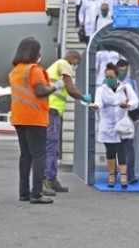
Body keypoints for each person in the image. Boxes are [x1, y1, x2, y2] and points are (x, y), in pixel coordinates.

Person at [9, 37, 62, 204]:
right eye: (38, 51)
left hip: (19, 117)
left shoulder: (15, 71)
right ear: (34, 52)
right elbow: (40, 92)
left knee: (25, 156)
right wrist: (56, 86)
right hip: (34, 118)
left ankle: (24, 192)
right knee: (39, 155)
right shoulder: (35, 69)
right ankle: (37, 193)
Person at [44, 51, 92, 192]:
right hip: (51, 110)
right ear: (74, 58)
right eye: (77, 62)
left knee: (53, 147)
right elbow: (70, 89)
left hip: (52, 110)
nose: (76, 66)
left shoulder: (55, 66)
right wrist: (83, 97)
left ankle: (52, 179)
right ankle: (45, 180)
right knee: (50, 146)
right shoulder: (65, 64)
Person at [89, 63, 139, 189]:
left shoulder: (126, 87)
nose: (109, 80)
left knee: (121, 151)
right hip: (107, 125)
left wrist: (127, 105)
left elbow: (135, 101)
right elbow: (99, 102)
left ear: (117, 77)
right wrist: (95, 106)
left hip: (121, 124)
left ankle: (123, 176)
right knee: (110, 151)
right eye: (107, 77)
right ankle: (111, 176)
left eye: (111, 77)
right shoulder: (101, 89)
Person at [116, 59, 139, 184]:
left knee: (129, 148)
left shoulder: (132, 83)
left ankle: (130, 174)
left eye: (124, 71)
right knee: (114, 148)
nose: (122, 73)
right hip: (114, 120)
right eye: (120, 71)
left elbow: (136, 101)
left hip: (128, 119)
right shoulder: (109, 82)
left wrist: (136, 120)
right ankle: (115, 174)